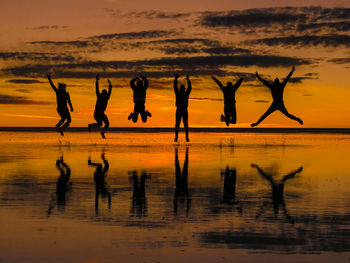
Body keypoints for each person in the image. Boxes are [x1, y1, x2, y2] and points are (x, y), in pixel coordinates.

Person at [88, 75, 112, 139]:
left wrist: (110, 85)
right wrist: (97, 81)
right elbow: (97, 89)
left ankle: (102, 132)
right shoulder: (99, 96)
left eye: (105, 93)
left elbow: (109, 92)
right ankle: (90, 126)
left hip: (102, 113)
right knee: (100, 124)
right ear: (102, 93)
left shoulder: (107, 97)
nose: (104, 94)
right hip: (97, 113)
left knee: (106, 124)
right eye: (103, 92)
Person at [173, 74, 192, 142]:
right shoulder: (180, 93)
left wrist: (176, 80)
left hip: (183, 110)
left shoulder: (183, 93)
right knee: (180, 124)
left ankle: (184, 137)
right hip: (181, 109)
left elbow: (189, 88)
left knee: (183, 124)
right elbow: (189, 88)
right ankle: (177, 137)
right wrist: (188, 80)